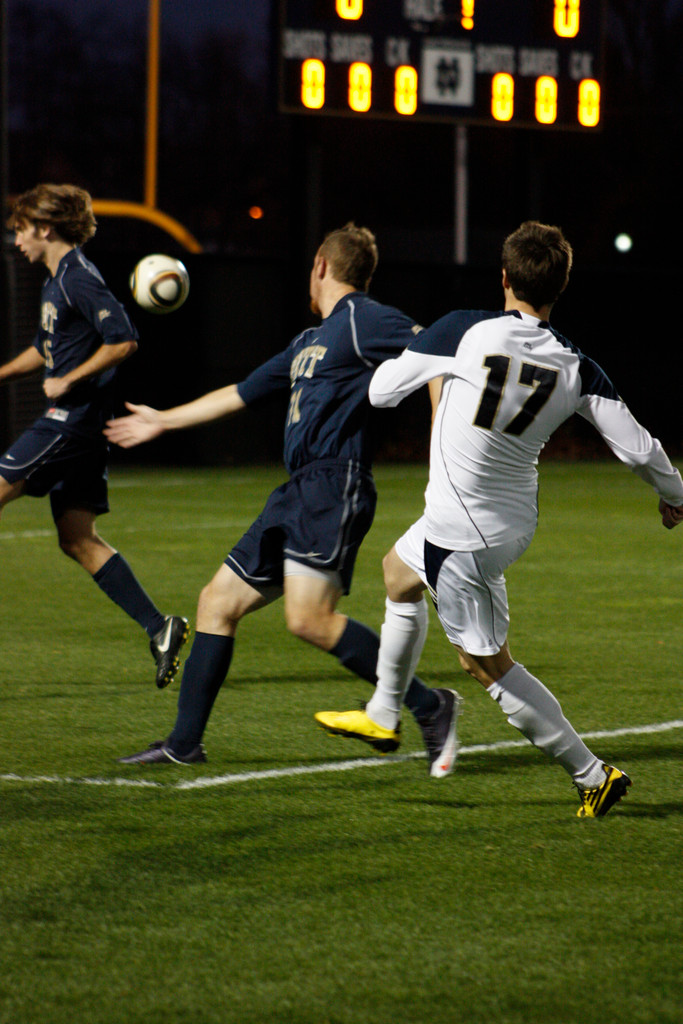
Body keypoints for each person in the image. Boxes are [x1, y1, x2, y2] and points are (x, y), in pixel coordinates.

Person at [314, 220, 683, 817]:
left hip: (462, 535)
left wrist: (426, 361)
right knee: (396, 572)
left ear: (504, 277)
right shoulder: (577, 365)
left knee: (487, 666)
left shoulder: (463, 328)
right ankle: (384, 712)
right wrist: (675, 495)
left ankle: (592, 774)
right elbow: (638, 447)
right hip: (503, 522)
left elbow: (381, 392)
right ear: (559, 288)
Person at [106, 223, 457, 766]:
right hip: (295, 491)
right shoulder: (307, 341)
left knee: (308, 619)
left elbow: (435, 349)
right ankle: (183, 744)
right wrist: (163, 421)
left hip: (333, 485)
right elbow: (241, 393)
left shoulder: (365, 318)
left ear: (321, 265)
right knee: (216, 603)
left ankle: (429, 704)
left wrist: (439, 433)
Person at [2, 184, 189, 687]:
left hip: (72, 420)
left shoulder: (78, 278)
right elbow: (45, 349)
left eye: (20, 229)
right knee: (77, 539)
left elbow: (124, 339)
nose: (15, 238)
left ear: (44, 227)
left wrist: (69, 379)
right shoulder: (55, 281)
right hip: (80, 426)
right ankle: (160, 627)